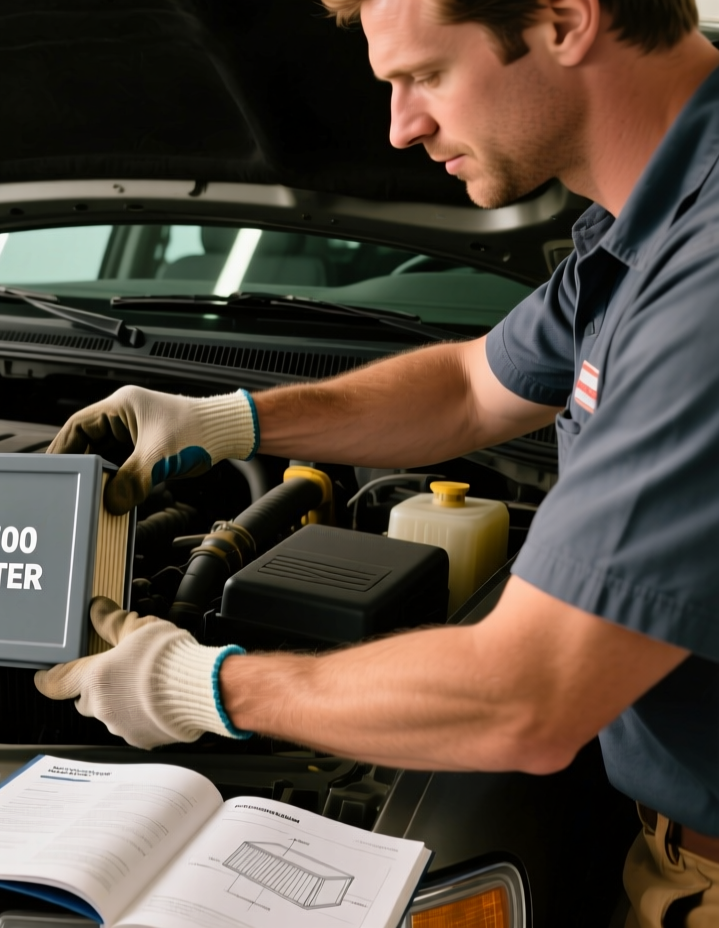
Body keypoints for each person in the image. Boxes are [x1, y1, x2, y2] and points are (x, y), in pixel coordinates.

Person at [35, 1, 719, 925]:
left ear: (564, 19)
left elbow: (527, 698)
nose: (402, 128)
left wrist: (200, 684)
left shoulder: (706, 275)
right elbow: (475, 386)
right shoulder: (649, 217)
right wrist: (229, 422)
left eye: (425, 76)